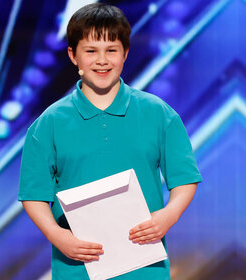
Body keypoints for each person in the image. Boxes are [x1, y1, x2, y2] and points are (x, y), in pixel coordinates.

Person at [18, 3, 202, 279]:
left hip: (144, 268)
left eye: (111, 50)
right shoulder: (50, 122)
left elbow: (184, 178)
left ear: (125, 53)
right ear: (73, 55)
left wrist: (167, 217)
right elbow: (33, 194)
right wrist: (58, 236)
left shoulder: (158, 113)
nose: (101, 60)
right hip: (76, 269)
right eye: (90, 51)